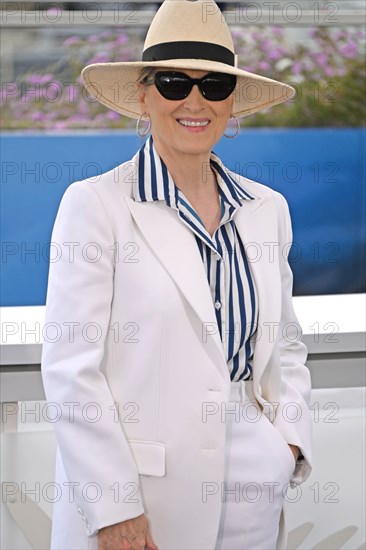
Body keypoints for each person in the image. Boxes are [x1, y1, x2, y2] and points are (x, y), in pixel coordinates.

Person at [41, 1, 312, 549]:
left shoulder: (268, 208)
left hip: (254, 490)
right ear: (143, 95)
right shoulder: (95, 205)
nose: (195, 101)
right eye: (172, 82)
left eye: (213, 85)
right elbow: (72, 369)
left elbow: (285, 345)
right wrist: (114, 509)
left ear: (231, 101)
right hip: (141, 499)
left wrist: (287, 445)